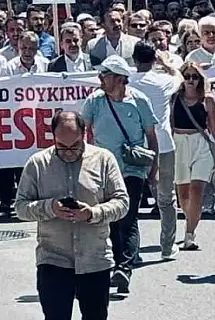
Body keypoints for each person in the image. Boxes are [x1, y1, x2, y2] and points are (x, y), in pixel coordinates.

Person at [14, 110, 129, 320]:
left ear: (85, 133)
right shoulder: (37, 164)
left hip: (95, 259)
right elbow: (20, 207)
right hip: (53, 259)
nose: (68, 153)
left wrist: (93, 213)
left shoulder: (104, 159)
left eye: (75, 146)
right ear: (53, 138)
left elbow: (122, 203)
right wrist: (50, 208)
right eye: (62, 147)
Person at [79, 56, 157, 295]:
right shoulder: (95, 100)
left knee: (128, 217)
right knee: (110, 218)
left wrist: (153, 168)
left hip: (132, 168)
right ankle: (116, 264)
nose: (101, 79)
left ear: (120, 78)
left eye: (106, 75)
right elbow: (84, 132)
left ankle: (124, 267)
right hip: (102, 170)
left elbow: (151, 135)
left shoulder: (139, 101)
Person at [129, 41, 181, 260]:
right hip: (164, 144)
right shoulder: (163, 80)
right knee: (166, 198)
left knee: (131, 198)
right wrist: (166, 64)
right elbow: (179, 76)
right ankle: (167, 247)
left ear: (134, 59)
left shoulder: (127, 81)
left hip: (135, 146)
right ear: (153, 60)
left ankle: (132, 250)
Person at [170, 60, 215, 244]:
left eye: (195, 77)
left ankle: (189, 234)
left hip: (201, 142)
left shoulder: (207, 99)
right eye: (187, 76)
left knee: (196, 190)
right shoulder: (174, 98)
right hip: (179, 143)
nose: (191, 80)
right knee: (183, 195)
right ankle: (190, 219)